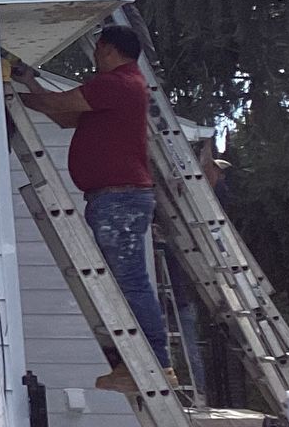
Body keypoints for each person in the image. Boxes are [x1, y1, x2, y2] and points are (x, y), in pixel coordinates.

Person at [13, 24, 175, 394]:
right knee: (123, 282)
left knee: (130, 281)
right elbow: (65, 116)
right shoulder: (119, 87)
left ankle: (156, 363)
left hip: (120, 199)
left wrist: (11, 94)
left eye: (98, 49)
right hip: (115, 198)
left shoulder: (118, 83)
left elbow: (59, 104)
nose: (95, 56)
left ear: (108, 48)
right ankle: (134, 364)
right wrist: (28, 83)